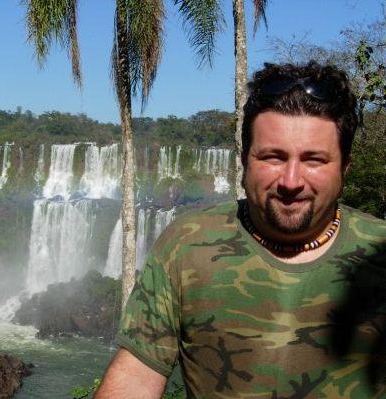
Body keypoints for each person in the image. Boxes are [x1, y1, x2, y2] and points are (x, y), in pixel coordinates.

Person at [95, 61, 386, 398]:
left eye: (314, 160)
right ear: (245, 159)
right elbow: (136, 378)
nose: (291, 181)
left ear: (345, 167)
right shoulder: (187, 244)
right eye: (273, 157)